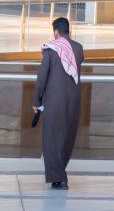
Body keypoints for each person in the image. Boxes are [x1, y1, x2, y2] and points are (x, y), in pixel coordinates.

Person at [33, 16, 85, 190]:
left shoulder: (51, 48)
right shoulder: (78, 48)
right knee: (66, 137)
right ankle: (59, 174)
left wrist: (37, 100)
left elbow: (42, 77)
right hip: (73, 98)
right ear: (68, 30)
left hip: (55, 99)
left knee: (52, 138)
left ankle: (60, 178)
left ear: (56, 31)